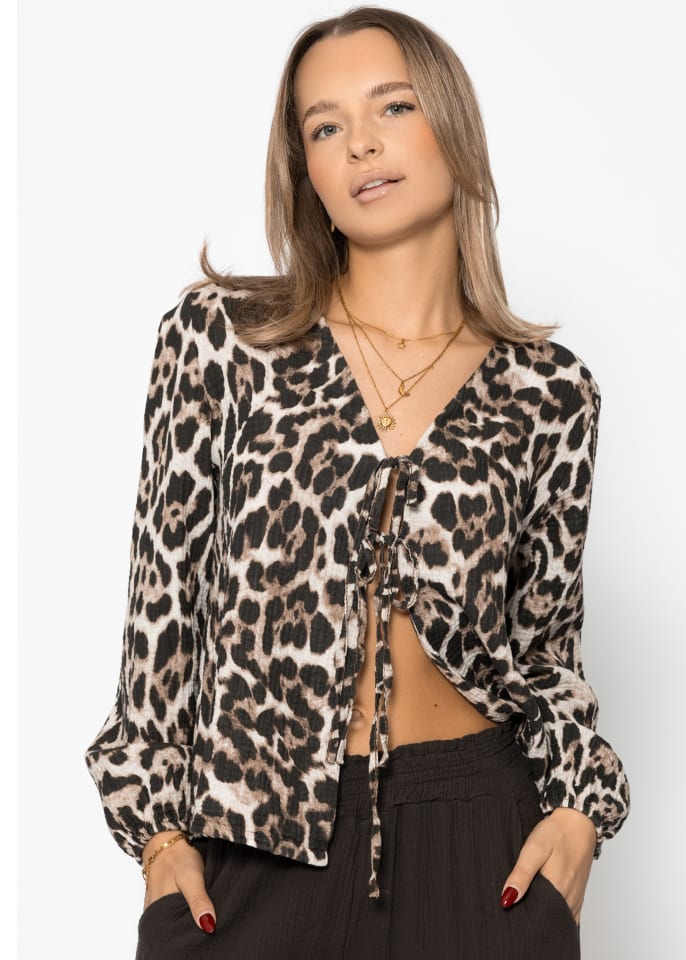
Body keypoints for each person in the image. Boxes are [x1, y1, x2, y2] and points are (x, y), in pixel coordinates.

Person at [85, 7, 630, 958]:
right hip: (256, 841)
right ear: (305, 168)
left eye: (394, 106)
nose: (361, 143)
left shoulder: (550, 393)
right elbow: (162, 611)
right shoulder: (225, 342)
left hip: (481, 839)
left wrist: (580, 811)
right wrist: (159, 838)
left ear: (452, 124)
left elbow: (545, 649)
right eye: (324, 126)